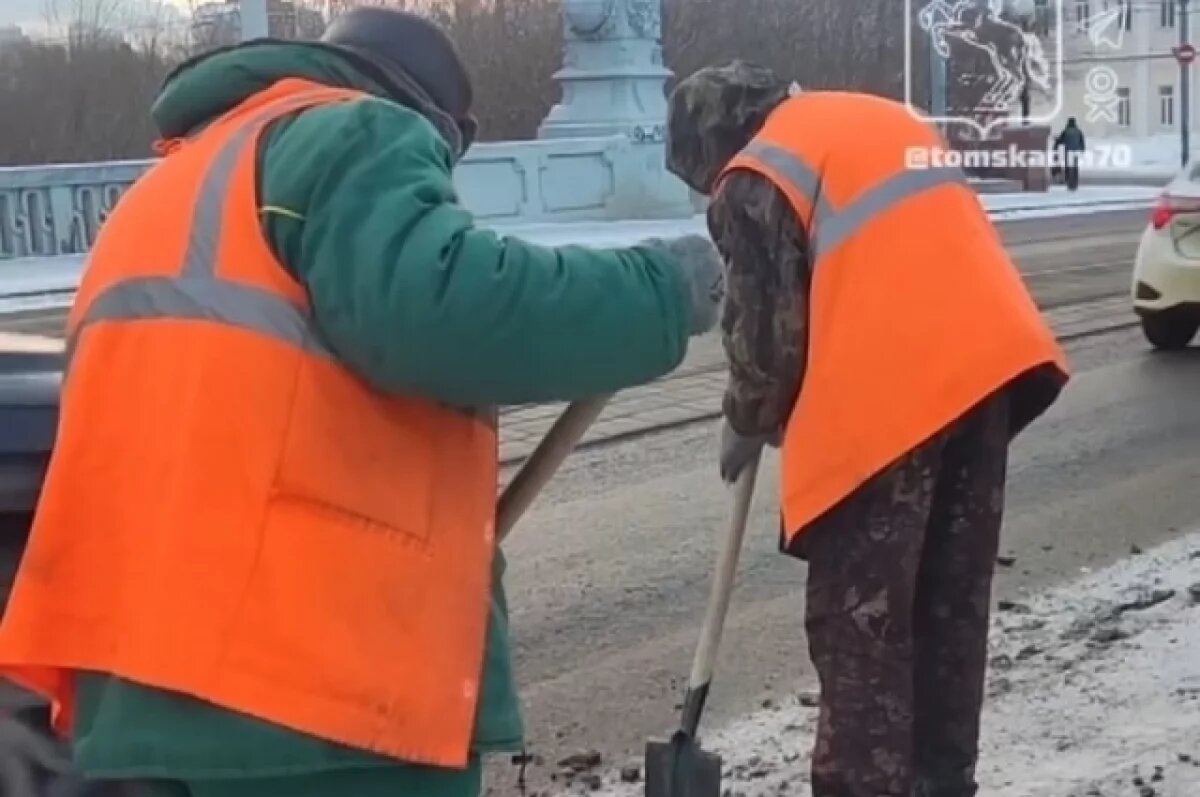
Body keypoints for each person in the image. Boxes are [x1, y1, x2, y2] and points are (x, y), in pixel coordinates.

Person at [0, 9, 723, 797]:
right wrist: (658, 289)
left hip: (142, 696)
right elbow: (443, 305)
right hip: (306, 700)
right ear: (436, 122)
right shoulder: (355, 130)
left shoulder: (168, 189)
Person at [665, 61, 1070, 797]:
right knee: (948, 611)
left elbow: (766, 343)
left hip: (886, 409)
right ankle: (943, 782)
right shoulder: (877, 118)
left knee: (865, 638)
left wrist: (747, 417)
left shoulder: (755, 172)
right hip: (985, 377)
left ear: (711, 144)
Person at [1054, 117, 1086, 191]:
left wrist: (1056, 144)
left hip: (1068, 151)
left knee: (1068, 167)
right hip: (1076, 151)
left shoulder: (1066, 131)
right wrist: (1082, 150)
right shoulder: (1078, 131)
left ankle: (1069, 181)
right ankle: (1075, 182)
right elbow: (1082, 141)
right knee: (1075, 167)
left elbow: (1060, 140)